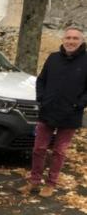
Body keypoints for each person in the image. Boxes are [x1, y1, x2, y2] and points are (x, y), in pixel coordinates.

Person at [19, 27, 86, 198]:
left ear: (82, 41)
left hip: (71, 114)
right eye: (68, 38)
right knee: (38, 148)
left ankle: (51, 184)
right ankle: (34, 181)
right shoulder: (53, 58)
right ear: (63, 39)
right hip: (48, 110)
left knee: (59, 151)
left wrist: (78, 104)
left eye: (75, 38)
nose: (71, 41)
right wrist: (41, 98)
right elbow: (41, 80)